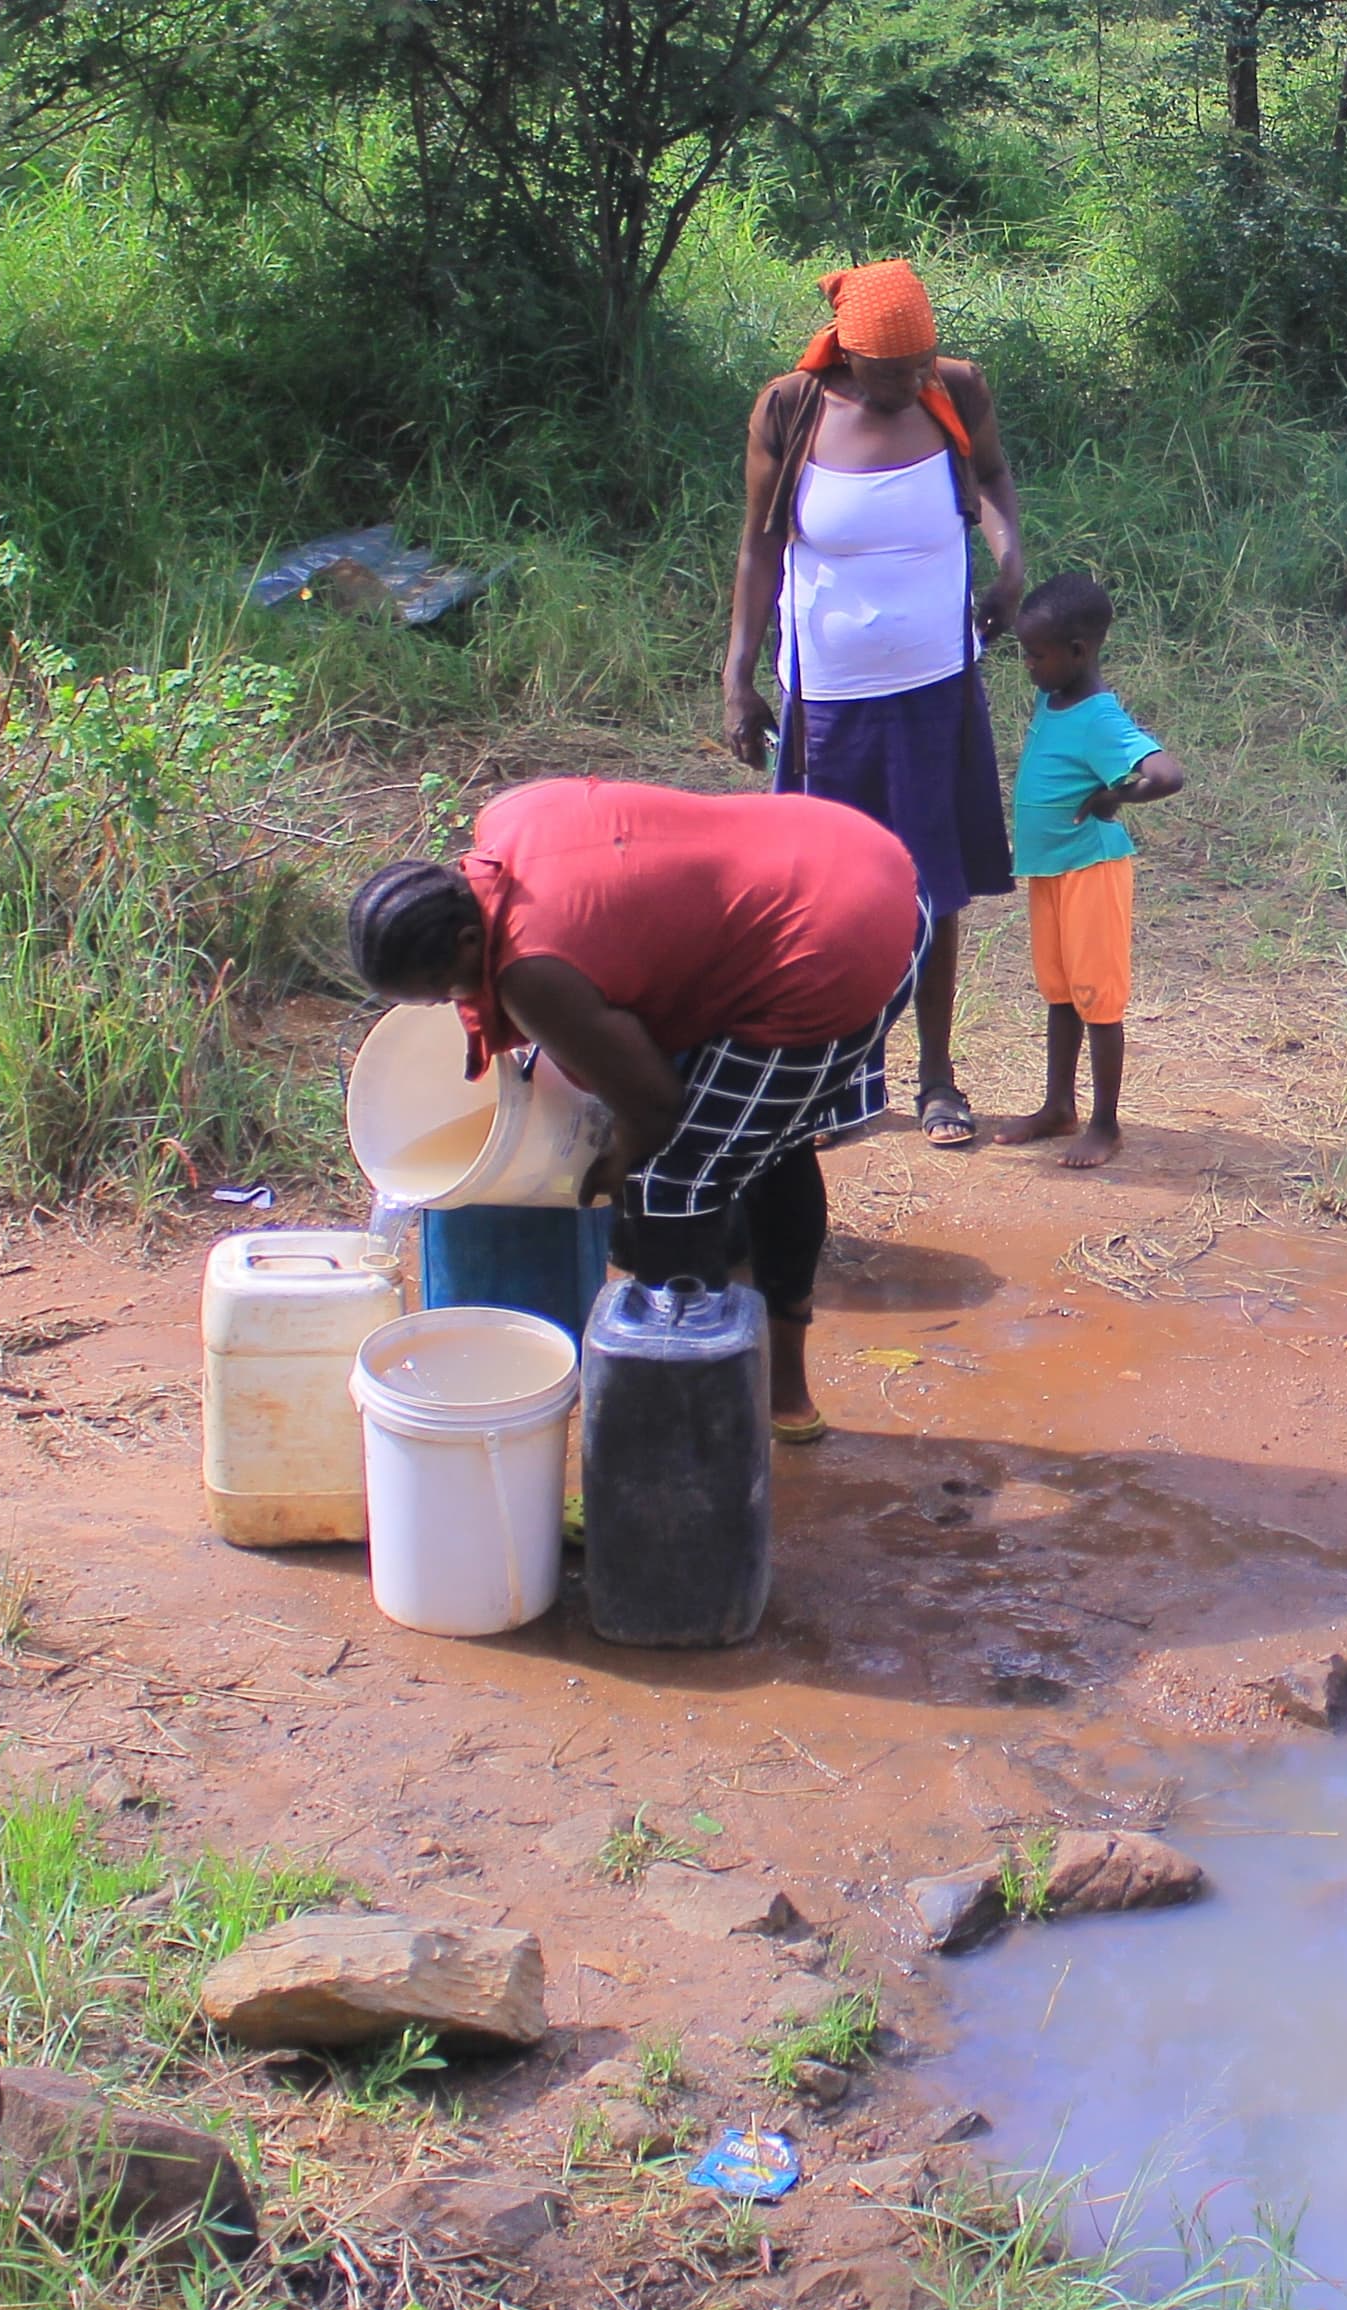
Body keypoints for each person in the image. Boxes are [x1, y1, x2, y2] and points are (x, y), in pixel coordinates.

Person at [343, 780, 928, 1443]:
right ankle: (774, 1390)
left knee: (672, 1187)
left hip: (833, 938)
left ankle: (690, 1432)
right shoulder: (508, 819)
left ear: (465, 939)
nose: (451, 1003)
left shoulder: (530, 971)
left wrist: (614, 1168)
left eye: (443, 988)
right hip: (847, 852)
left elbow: (653, 1110)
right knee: (764, 1137)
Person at [721, 257, 1026, 1152]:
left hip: (936, 686)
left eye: (923, 363)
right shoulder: (792, 409)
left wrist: (1010, 566)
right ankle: (832, 1081)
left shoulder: (955, 392)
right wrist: (739, 678)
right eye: (895, 372)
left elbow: (997, 484)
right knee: (827, 896)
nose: (913, 381)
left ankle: (937, 1078)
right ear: (849, 358)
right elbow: (757, 550)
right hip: (828, 698)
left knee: (935, 888)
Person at [992, 572, 1187, 1170]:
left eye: (1037, 655)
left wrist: (1115, 798)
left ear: (1079, 652)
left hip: (1091, 872)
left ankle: (1105, 1123)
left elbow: (1166, 774)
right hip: (1052, 872)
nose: (1027, 665)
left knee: (1098, 1001)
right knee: (1059, 993)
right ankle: (1059, 1107)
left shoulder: (1099, 717)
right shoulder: (1054, 696)